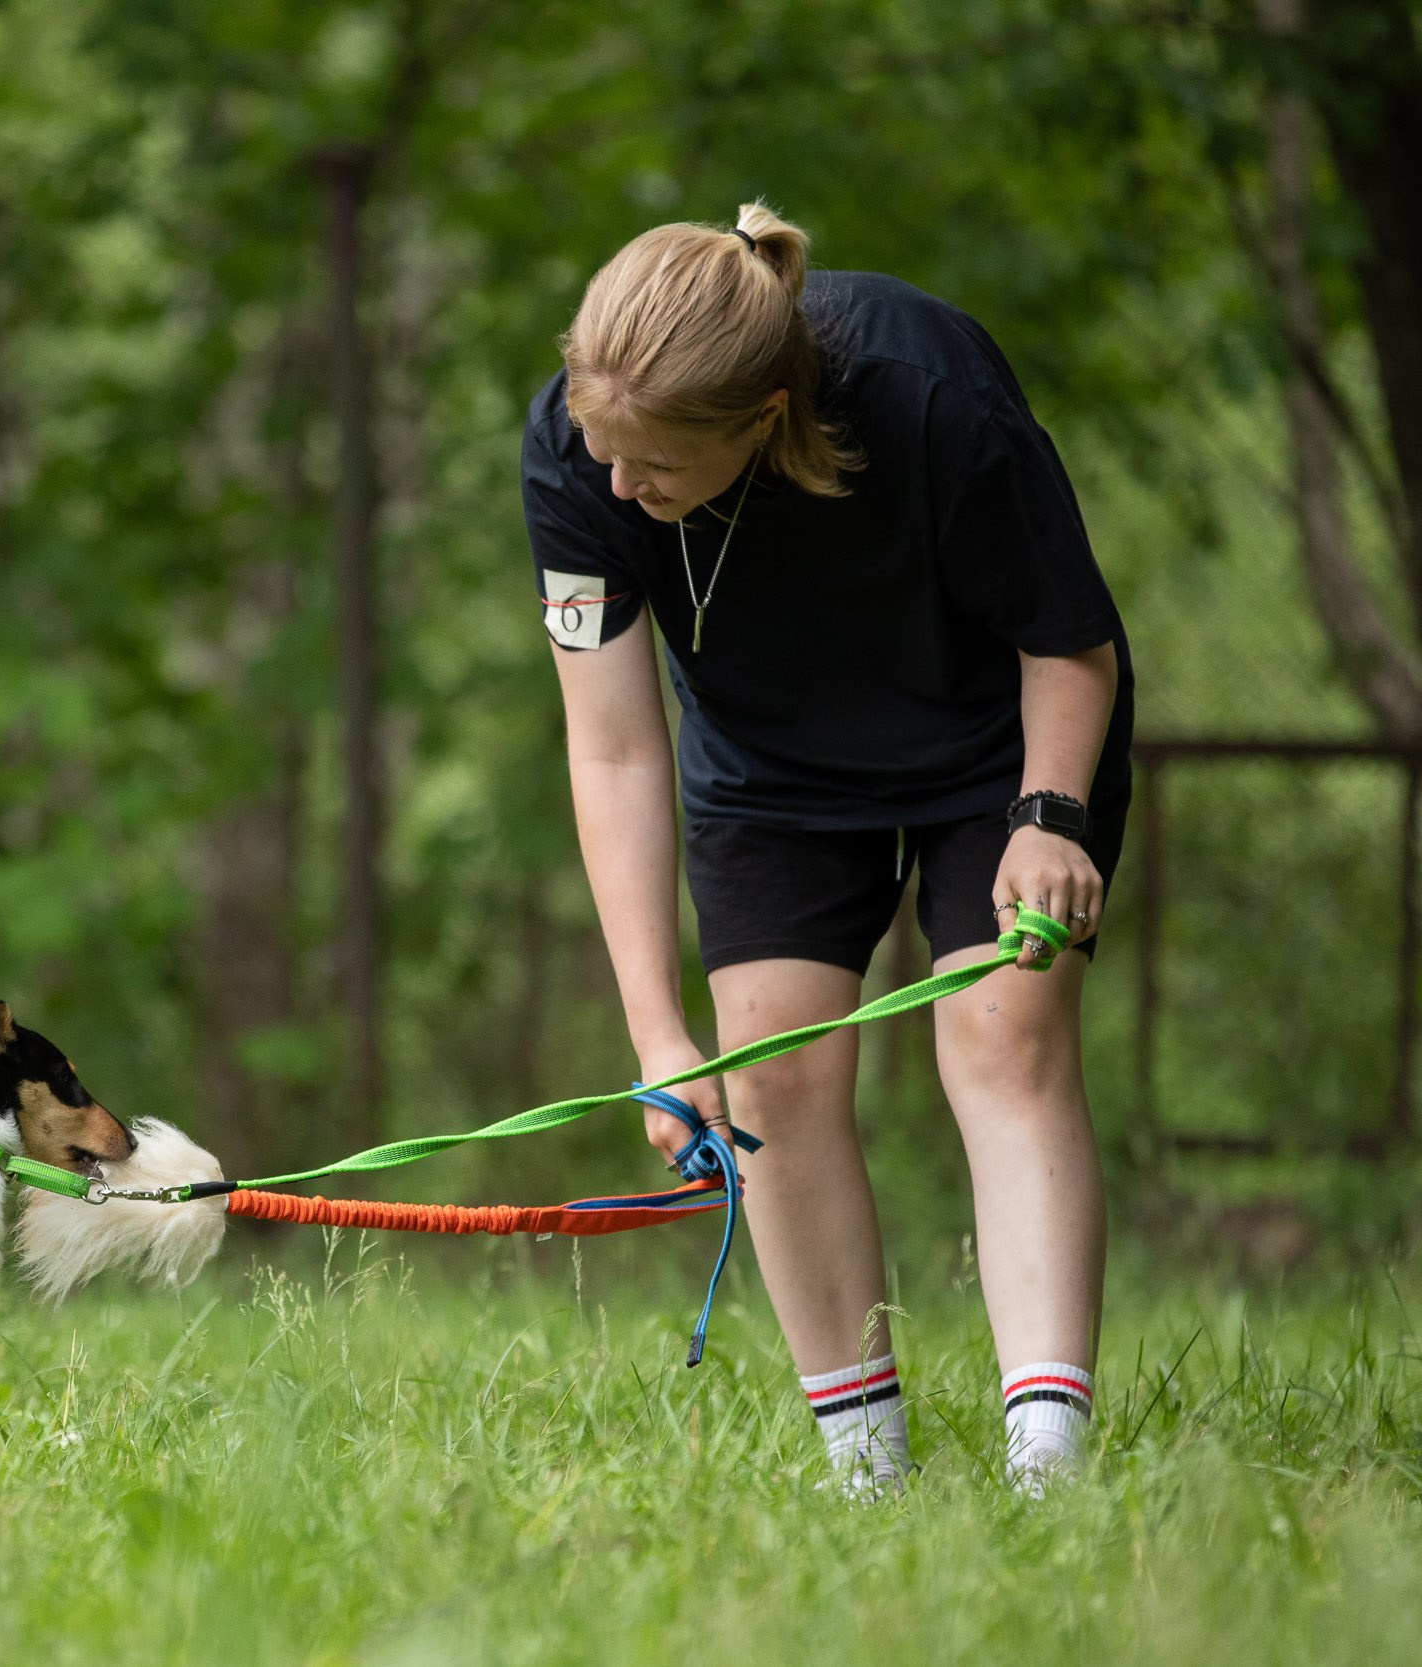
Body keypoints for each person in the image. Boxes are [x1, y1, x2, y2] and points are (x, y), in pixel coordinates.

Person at [522, 203, 1133, 1492]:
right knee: (774, 1085)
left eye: (654, 470)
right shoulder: (582, 450)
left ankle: (1050, 1466)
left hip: (998, 750)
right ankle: (869, 1480)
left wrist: (1050, 816)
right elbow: (615, 747)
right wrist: (655, 1036)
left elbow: (1068, 637)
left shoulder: (928, 393)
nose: (619, 488)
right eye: (602, 453)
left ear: (758, 421)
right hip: (773, 770)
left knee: (1003, 1040)